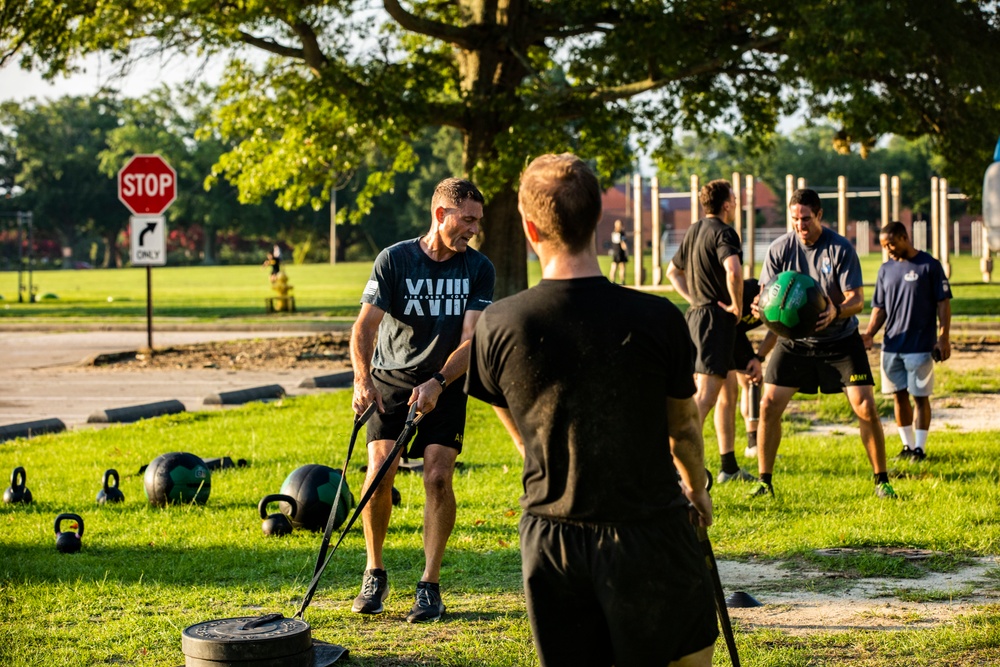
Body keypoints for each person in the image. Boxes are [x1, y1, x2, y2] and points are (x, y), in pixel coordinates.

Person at [466, 153, 717, 667]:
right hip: (650, 528)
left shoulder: (499, 324)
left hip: (552, 537)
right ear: (598, 219)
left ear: (530, 227)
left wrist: (534, 447)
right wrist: (696, 486)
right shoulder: (657, 317)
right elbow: (684, 427)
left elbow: (500, 400)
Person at [349, 177, 496, 623]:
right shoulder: (394, 260)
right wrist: (362, 380)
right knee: (379, 473)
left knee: (436, 477)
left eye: (478, 220)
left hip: (445, 381)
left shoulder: (478, 268)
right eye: (467, 219)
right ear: (441, 214)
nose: (474, 228)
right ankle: (374, 573)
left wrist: (437, 381)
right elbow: (364, 328)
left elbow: (471, 341)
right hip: (390, 378)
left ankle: (429, 585)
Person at [750, 188, 895, 499]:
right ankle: (764, 482)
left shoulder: (840, 248)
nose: (800, 226)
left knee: (866, 407)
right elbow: (768, 296)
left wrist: (837, 311)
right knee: (768, 405)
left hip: (840, 340)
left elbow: (857, 299)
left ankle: (881, 481)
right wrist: (760, 308)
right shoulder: (779, 249)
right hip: (795, 342)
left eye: (805, 218)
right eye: (795, 220)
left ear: (819, 216)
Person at [667, 179, 755, 484]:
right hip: (715, 322)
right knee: (704, 396)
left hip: (699, 317)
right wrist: (736, 305)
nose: (736, 203)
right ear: (727, 203)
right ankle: (669, 465)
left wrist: (694, 299)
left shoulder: (693, 230)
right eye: (734, 198)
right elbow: (733, 270)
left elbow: (672, 271)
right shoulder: (724, 232)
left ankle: (728, 467)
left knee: (727, 391)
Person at [861, 221, 952, 461]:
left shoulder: (929, 266)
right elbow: (879, 308)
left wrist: (943, 337)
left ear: (904, 237)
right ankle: (907, 446)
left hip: (921, 346)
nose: (888, 249)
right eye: (883, 245)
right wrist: (869, 333)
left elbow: (943, 303)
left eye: (890, 243)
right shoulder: (885, 270)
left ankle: (920, 449)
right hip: (891, 347)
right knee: (898, 395)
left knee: (920, 397)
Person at [714, 279, 764, 462]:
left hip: (735, 333)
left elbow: (777, 332)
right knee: (725, 393)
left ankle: (753, 444)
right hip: (718, 329)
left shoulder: (779, 304)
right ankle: (726, 461)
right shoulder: (748, 291)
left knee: (753, 380)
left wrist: (758, 358)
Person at [608, 219, 628, 284]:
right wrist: (626, 251)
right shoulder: (621, 233)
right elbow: (623, 243)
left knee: (614, 267)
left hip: (615, 252)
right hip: (620, 252)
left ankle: (612, 281)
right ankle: (622, 281)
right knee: (622, 267)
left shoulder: (613, 232)